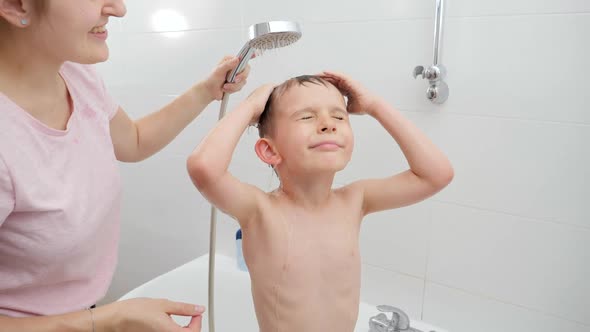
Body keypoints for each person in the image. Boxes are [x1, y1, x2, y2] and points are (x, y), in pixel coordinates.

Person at [0, 0, 251, 331]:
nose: (118, 8)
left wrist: (207, 90)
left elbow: (133, 140)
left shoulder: (75, 74)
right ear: (16, 6)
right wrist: (108, 319)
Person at [186, 72, 454, 332]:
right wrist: (250, 107)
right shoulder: (259, 211)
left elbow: (436, 174)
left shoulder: (355, 200)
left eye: (339, 115)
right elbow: (204, 168)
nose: (329, 124)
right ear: (270, 150)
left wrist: (374, 105)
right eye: (306, 116)